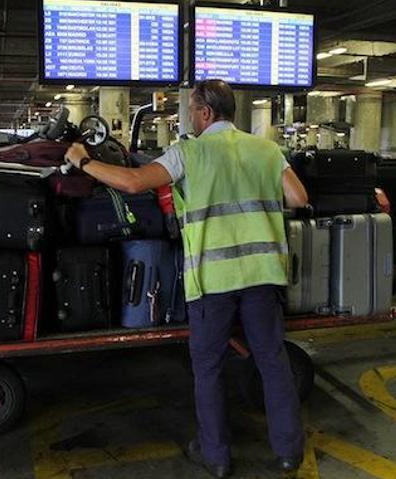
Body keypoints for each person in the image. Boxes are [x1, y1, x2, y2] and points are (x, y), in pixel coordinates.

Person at [64, 79, 309, 478]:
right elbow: (299, 198)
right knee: (272, 362)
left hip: (212, 282)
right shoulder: (267, 149)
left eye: (190, 111)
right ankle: (288, 452)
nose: (188, 118)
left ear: (206, 113)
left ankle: (216, 457)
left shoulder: (188, 153)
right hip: (263, 277)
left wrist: (83, 161)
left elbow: (131, 183)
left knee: (209, 369)